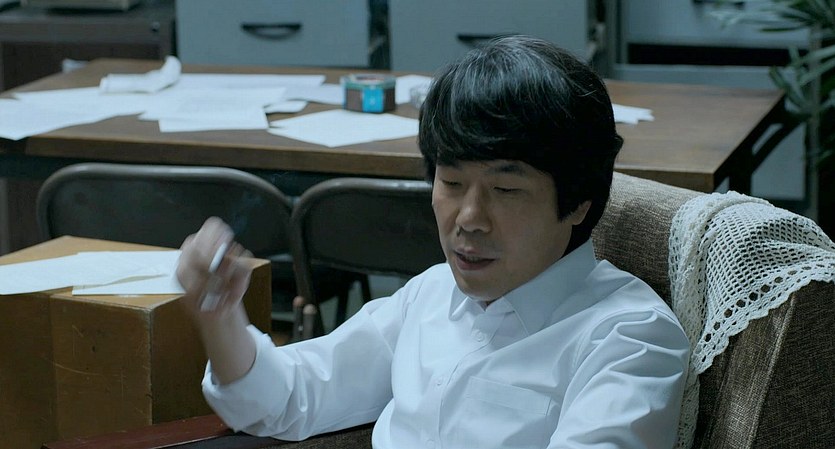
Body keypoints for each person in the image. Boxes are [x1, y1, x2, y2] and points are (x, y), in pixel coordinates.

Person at [176, 35, 690, 448]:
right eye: (451, 182)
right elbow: (287, 399)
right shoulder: (431, 295)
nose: (469, 219)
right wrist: (220, 317)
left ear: (578, 202)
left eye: (506, 190)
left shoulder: (629, 338)